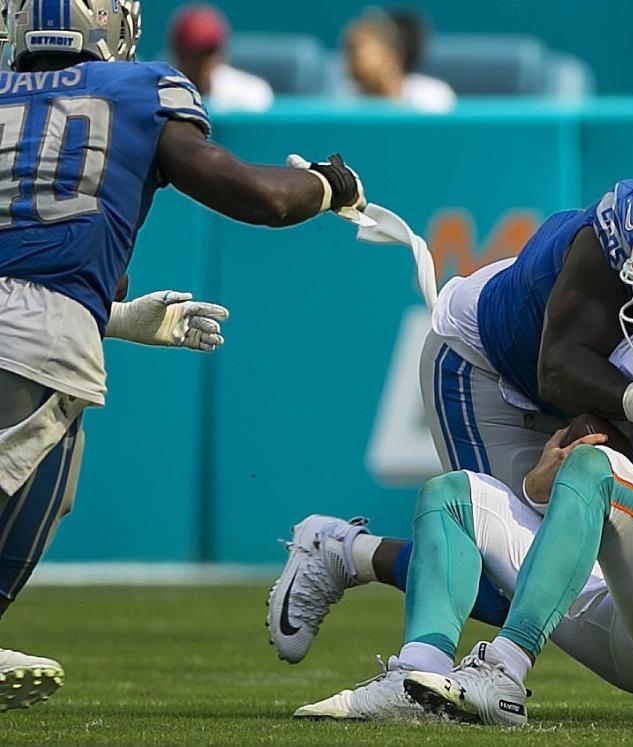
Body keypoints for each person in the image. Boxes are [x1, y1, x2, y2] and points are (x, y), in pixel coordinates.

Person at [265, 101, 633, 664]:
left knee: (583, 568)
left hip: (594, 391)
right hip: (493, 368)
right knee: (516, 576)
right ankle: (344, 554)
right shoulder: (628, 234)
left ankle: (363, 565)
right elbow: (561, 368)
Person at [0, 0, 367, 712]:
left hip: (46, 319)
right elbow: (253, 193)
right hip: (41, 339)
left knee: (54, 484)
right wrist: (328, 184)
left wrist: (113, 316)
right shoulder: (139, 89)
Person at [343, 7, 456, 114]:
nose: (351, 59)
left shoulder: (434, 97)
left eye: (357, 49)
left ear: (393, 54)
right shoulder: (344, 102)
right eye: (349, 49)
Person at [169, 4, 273, 112]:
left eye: (208, 53)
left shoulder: (251, 94)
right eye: (193, 54)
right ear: (178, 54)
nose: (202, 63)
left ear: (220, 53)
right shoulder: (158, 95)